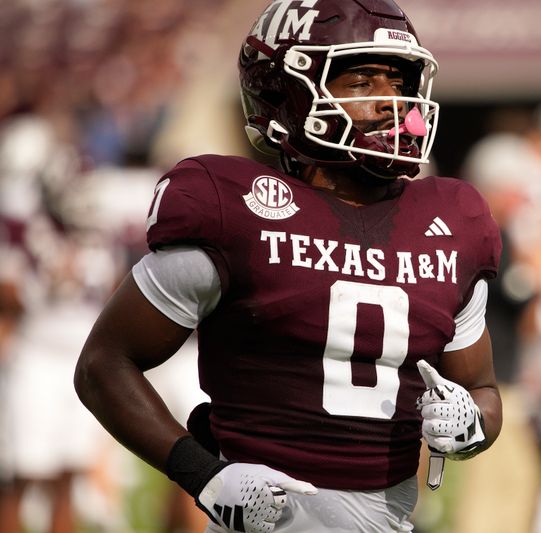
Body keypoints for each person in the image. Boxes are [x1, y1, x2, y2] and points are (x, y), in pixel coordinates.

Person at [73, 1, 503, 532]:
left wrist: (470, 425)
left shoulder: (452, 219)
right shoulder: (238, 209)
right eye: (363, 81)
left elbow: (482, 390)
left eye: (398, 81)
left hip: (386, 518)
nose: (391, 101)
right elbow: (103, 364)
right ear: (288, 93)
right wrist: (202, 475)